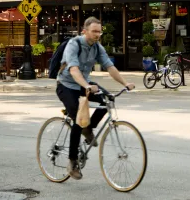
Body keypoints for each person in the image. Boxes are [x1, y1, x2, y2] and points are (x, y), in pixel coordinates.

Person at [56, 16, 135, 180]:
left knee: (108, 99)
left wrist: (125, 83)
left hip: (84, 84)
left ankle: (89, 129)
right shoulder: (74, 44)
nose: (97, 34)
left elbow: (110, 67)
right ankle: (72, 162)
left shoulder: (97, 47)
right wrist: (86, 86)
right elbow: (73, 70)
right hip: (67, 85)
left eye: (99, 31)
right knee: (78, 118)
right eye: (94, 31)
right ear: (84, 31)